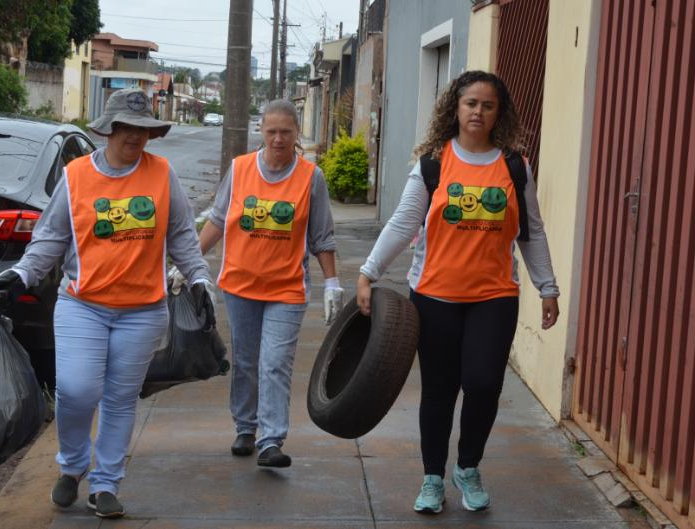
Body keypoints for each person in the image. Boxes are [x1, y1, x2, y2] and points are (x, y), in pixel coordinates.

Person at [0, 88, 214, 519]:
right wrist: (21, 274)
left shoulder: (162, 175)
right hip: (82, 303)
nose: (136, 137)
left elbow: (182, 234)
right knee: (75, 390)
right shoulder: (76, 176)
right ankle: (71, 467)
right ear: (109, 128)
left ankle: (105, 483)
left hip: (143, 310)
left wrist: (199, 279)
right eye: (128, 127)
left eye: (144, 129)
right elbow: (50, 238)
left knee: (120, 398)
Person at [356, 71, 560, 514]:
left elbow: (532, 232)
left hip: (494, 296)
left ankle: (467, 467)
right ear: (456, 107)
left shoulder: (513, 166)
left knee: (484, 384)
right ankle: (432, 477)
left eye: (488, 105)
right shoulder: (433, 162)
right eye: (471, 103)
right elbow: (404, 222)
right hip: (435, 296)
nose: (478, 112)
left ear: (498, 113)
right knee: (440, 389)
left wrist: (548, 287)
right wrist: (368, 271)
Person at [197, 99, 343, 468]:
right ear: (261, 131)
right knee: (246, 361)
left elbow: (322, 237)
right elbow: (217, 219)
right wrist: (188, 262)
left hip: (287, 289)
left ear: (297, 134)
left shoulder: (311, 177)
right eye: (272, 131)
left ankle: (271, 440)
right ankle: (245, 428)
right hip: (240, 284)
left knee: (275, 362)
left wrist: (333, 282)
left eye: (286, 132)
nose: (278, 139)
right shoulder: (241, 168)